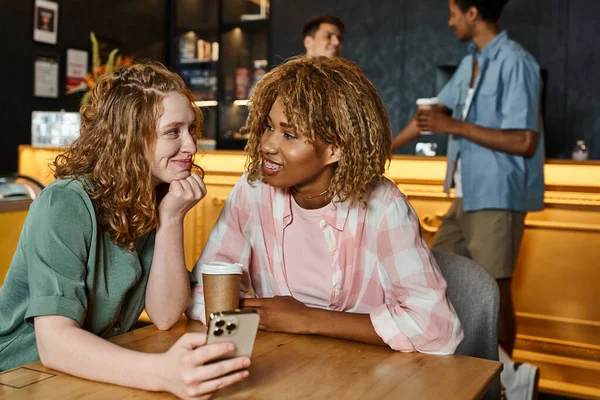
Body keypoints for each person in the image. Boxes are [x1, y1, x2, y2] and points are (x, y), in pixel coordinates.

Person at [0, 62, 250, 398]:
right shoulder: (63, 204)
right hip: (20, 376)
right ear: (130, 138)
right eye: (174, 131)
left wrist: (172, 219)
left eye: (191, 129)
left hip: (91, 375)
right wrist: (163, 373)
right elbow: (54, 343)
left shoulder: (154, 198)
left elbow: (164, 315)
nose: (191, 146)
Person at [187, 56, 464, 355]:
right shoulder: (253, 190)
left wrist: (307, 319)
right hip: (283, 362)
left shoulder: (383, 206)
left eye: (289, 134)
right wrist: (245, 327)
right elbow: (204, 295)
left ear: (335, 149)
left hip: (370, 374)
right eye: (268, 127)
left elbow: (437, 330)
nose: (267, 144)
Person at [391, 1, 544, 398]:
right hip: (464, 193)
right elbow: (432, 114)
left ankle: (511, 383)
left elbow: (524, 141)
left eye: (453, 11)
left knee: (496, 291)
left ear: (473, 12)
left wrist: (452, 125)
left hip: (498, 193)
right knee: (439, 281)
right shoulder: (471, 62)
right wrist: (383, 149)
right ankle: (464, 376)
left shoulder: (516, 62)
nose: (449, 20)